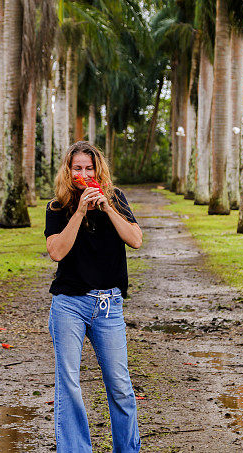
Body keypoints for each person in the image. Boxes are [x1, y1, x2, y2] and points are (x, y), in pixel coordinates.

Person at [44, 141, 143, 452]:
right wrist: (80, 211)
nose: (83, 174)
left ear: (98, 170)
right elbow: (57, 252)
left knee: (120, 387)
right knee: (69, 384)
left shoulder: (116, 199)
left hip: (108, 305)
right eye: (77, 169)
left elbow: (136, 240)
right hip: (69, 305)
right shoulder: (57, 207)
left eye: (89, 168)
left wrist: (106, 207)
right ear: (69, 171)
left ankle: (127, 449)